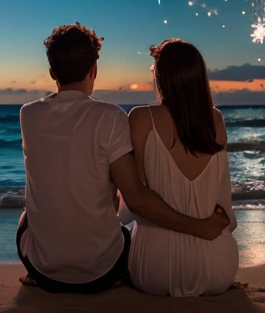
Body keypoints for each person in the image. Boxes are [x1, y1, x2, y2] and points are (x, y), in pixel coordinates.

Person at [17, 23, 229, 294]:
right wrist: (198, 227)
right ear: (94, 69)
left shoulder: (28, 115)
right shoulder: (111, 116)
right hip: (102, 271)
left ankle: (35, 273)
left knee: (26, 217)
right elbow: (136, 198)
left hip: (44, 272)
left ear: (52, 72)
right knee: (121, 233)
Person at [124, 38, 238, 297]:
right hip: (217, 265)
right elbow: (223, 204)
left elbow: (135, 200)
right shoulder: (216, 120)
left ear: (161, 77)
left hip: (155, 268)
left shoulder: (141, 118)